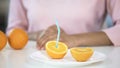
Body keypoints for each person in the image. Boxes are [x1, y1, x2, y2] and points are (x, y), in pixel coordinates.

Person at [7, 0, 120, 49]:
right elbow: (12, 33)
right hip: (35, 61)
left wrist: (73, 39)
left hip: (89, 61)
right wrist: (37, 35)